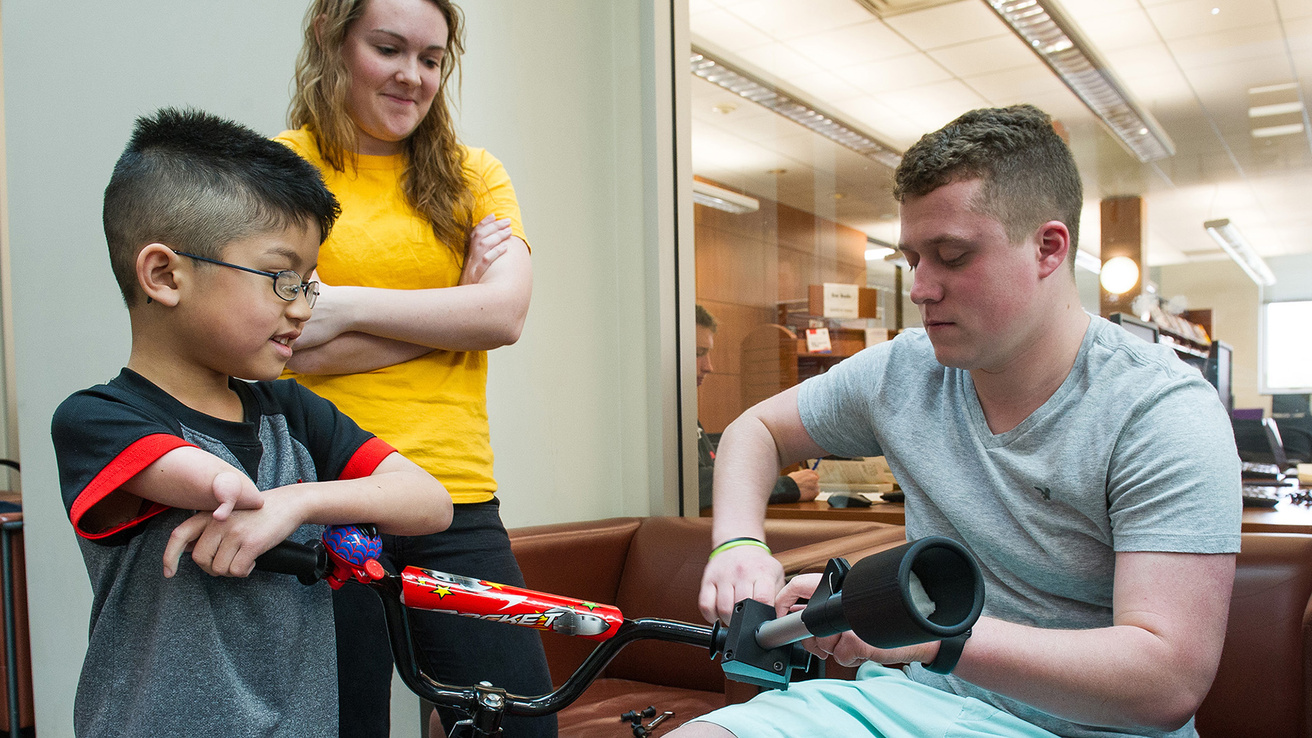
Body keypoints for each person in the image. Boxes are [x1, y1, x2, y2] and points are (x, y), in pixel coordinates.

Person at [675, 105, 1242, 738]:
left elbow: (1167, 681)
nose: (919, 287)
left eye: (951, 255)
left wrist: (925, 637)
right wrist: (738, 543)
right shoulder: (903, 370)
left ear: (1048, 248)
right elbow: (758, 431)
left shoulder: (1161, 412)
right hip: (910, 704)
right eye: (914, 257)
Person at [50, 108, 452, 737]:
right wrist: (290, 504)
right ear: (164, 275)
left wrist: (293, 505)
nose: (302, 308)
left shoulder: (292, 414)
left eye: (310, 285)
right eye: (281, 279)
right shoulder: (96, 418)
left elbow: (429, 501)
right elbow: (218, 485)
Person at [275, 1, 553, 735]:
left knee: (517, 723)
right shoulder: (277, 171)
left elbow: (505, 317)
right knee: (344, 725)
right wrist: (454, 307)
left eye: (431, 59)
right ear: (332, 41)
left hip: (453, 495)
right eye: (389, 49)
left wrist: (349, 306)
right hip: (323, 492)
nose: (412, 76)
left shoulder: (473, 174)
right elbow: (281, 346)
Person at [695, 304, 819, 510]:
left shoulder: (680, 409)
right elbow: (696, 484)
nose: (709, 366)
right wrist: (784, 487)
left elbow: (708, 468)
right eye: (699, 353)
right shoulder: (659, 412)